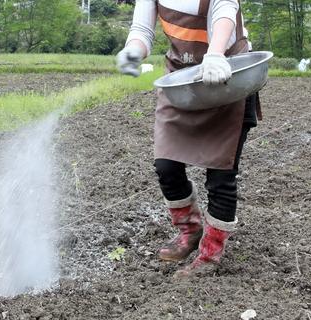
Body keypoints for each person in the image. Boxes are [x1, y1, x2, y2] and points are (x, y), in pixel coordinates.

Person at [116, 0, 261, 276]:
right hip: (181, 81)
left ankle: (210, 255)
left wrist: (215, 54)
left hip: (228, 76)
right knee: (166, 165)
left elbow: (224, 11)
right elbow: (142, 30)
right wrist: (133, 51)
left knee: (221, 175)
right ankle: (189, 230)